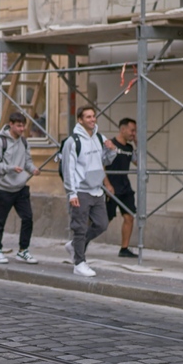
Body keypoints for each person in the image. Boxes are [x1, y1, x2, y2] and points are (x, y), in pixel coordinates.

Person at [62, 105, 117, 277]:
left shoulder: (99, 137)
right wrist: (72, 193)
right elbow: (68, 169)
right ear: (80, 120)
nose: (92, 120)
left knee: (102, 224)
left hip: (96, 190)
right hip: (81, 190)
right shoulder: (73, 141)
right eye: (88, 117)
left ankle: (74, 246)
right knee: (79, 227)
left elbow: (104, 161)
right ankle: (79, 263)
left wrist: (112, 150)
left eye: (93, 116)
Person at [0, 111, 40, 264]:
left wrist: (33, 169)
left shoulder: (24, 142)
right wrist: (10, 168)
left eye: (23, 126)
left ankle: (23, 250)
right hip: (3, 188)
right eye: (18, 126)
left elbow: (27, 161)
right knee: (0, 221)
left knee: (28, 218)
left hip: (21, 188)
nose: (22, 129)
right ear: (11, 124)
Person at [103, 117, 139, 259]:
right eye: (132, 130)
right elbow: (101, 166)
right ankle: (81, 242)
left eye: (135, 131)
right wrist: (107, 185)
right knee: (103, 221)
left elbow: (140, 164)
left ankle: (124, 248)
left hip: (125, 187)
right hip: (111, 187)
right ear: (122, 129)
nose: (133, 134)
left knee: (129, 217)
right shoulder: (110, 144)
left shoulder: (129, 148)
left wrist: (137, 144)